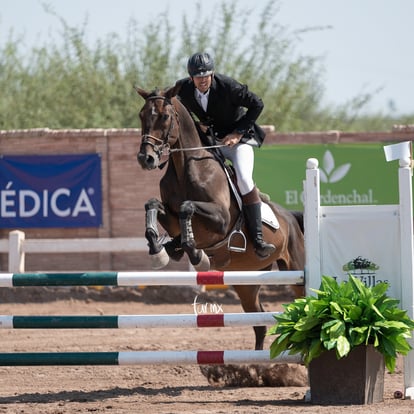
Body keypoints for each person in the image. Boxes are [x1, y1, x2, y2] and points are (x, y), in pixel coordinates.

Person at [174, 52, 275, 258]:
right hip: (212, 143)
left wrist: (237, 133)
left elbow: (257, 104)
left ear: (212, 74)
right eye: (198, 76)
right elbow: (180, 113)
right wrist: (197, 125)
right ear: (190, 77)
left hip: (239, 142)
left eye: (206, 75)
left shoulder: (228, 86)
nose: (203, 80)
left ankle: (258, 240)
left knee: (244, 180)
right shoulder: (182, 89)